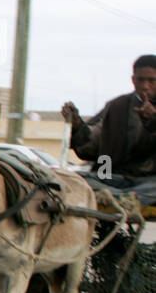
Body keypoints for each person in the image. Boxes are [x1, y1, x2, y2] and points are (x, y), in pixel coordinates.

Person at [61, 53, 156, 203]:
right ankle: (125, 199)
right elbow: (96, 140)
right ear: (133, 80)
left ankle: (117, 198)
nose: (145, 86)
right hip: (115, 177)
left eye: (152, 81)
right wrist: (78, 126)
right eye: (141, 80)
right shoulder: (118, 106)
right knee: (76, 179)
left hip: (150, 182)